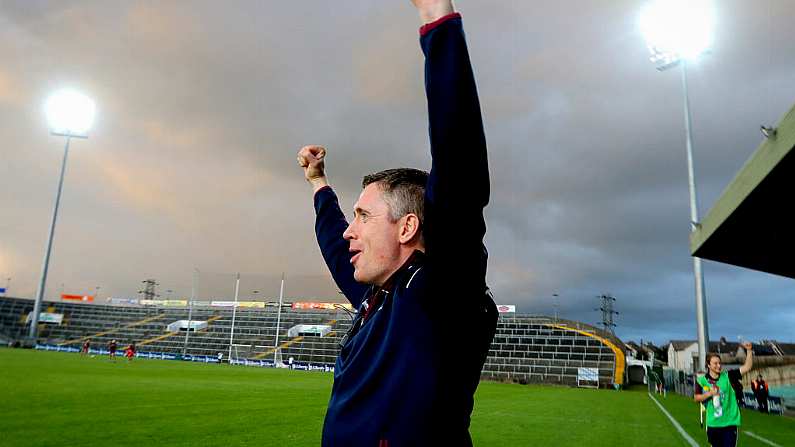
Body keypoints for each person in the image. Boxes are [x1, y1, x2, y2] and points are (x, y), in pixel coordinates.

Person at [296, 1, 497, 445]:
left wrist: (436, 18)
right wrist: (318, 184)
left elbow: (458, 157)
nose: (351, 230)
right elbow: (336, 245)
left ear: (407, 228)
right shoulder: (379, 297)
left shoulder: (439, 292)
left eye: (364, 216)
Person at [694, 342, 754, 446]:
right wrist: (710, 393)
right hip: (713, 424)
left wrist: (749, 350)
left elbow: (747, 367)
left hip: (730, 423)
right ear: (708, 365)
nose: (719, 365)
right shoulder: (702, 380)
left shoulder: (728, 376)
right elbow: (696, 398)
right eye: (715, 363)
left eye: (719, 363)